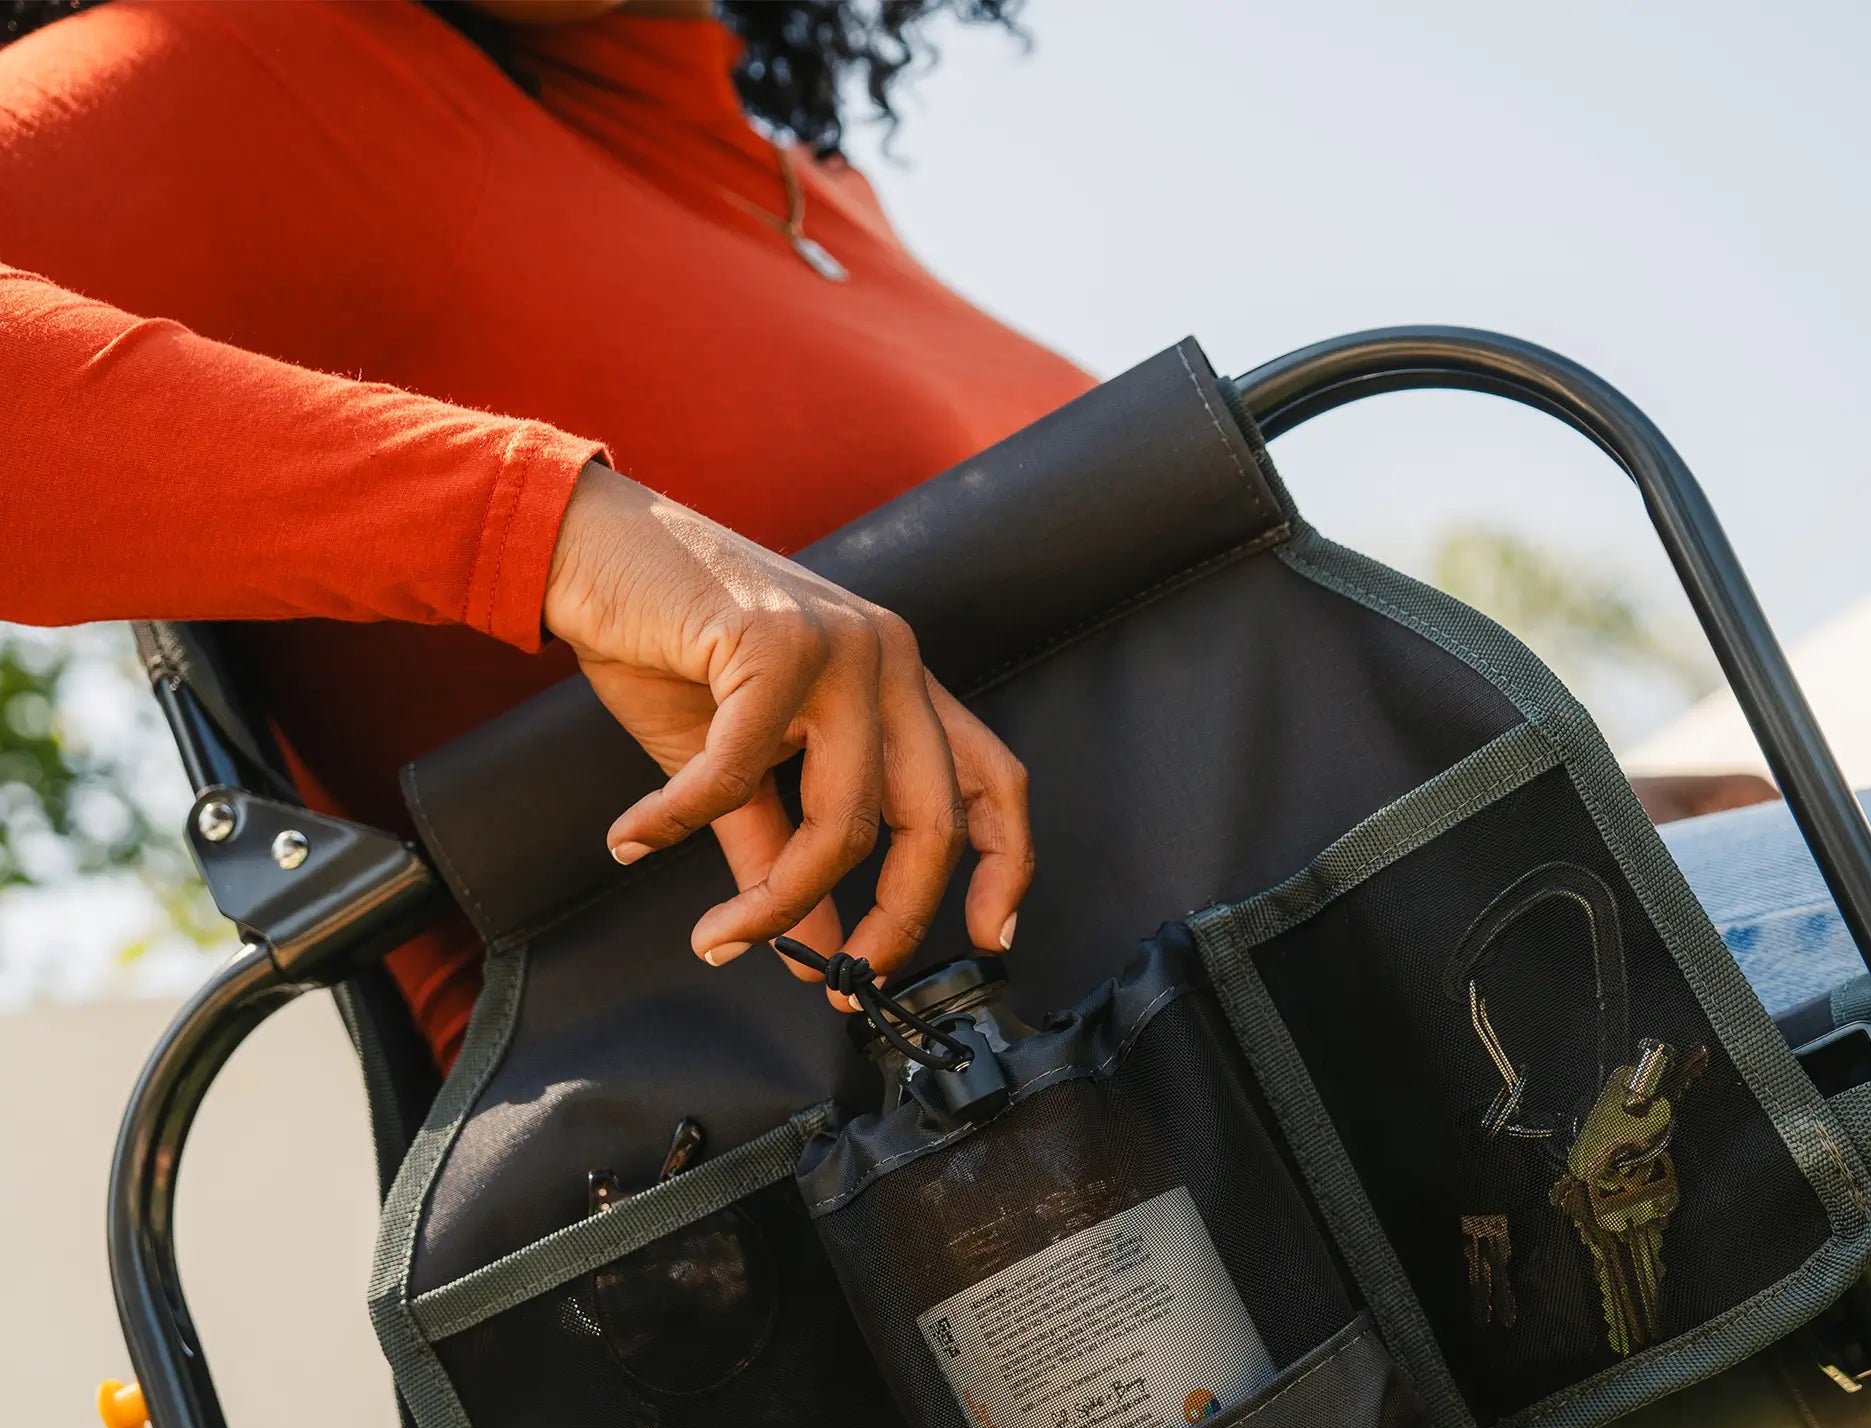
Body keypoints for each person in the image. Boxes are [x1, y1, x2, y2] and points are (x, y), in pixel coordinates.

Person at [0, 0, 1080, 1064]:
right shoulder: (273, 69)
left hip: (1203, 1044)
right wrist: (543, 528)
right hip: (847, 1173)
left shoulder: (815, 186)